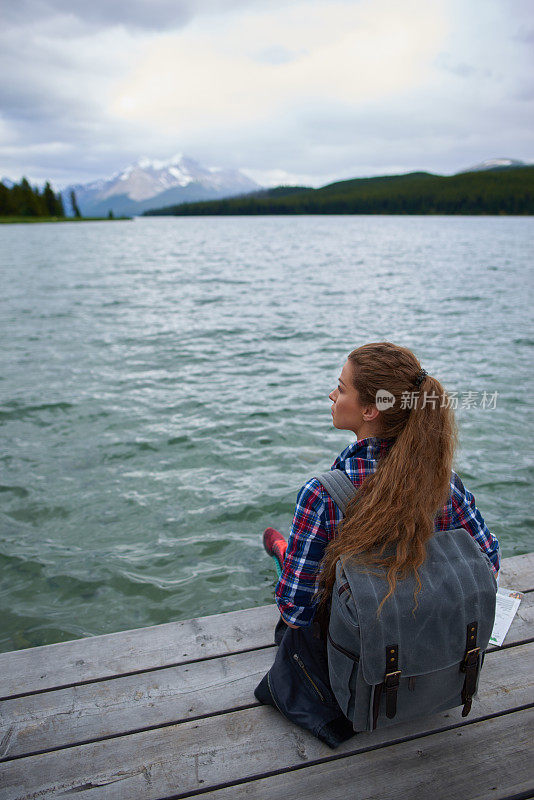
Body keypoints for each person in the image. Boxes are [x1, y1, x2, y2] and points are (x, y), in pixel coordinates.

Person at [255, 341, 500, 746]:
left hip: (359, 675)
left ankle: (283, 551)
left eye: (341, 387)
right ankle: (284, 550)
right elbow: (489, 564)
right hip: (434, 659)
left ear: (370, 410)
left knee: (292, 605)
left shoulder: (324, 494)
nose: (332, 395)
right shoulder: (445, 484)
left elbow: (296, 610)